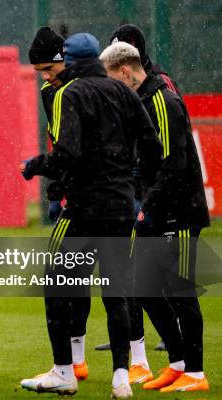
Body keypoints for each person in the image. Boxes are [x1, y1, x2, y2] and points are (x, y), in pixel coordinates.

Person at [19, 33, 162, 398]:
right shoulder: (124, 93)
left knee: (57, 285)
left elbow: (66, 153)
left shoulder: (72, 93)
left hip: (84, 207)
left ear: (69, 60)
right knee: (116, 293)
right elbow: (153, 145)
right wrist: (131, 181)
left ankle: (64, 371)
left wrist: (37, 166)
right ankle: (120, 379)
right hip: (119, 207)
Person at [101, 41, 210, 392]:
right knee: (142, 287)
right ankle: (177, 363)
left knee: (181, 290)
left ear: (125, 72)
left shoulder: (163, 100)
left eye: (113, 80)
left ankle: (196, 373)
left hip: (179, 210)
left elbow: (174, 163)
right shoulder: (141, 100)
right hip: (156, 209)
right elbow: (147, 160)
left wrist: (150, 207)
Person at [95, 23, 186, 355]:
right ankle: (133, 337)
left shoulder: (161, 90)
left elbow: (171, 154)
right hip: (135, 189)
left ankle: (174, 344)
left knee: (159, 273)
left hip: (160, 195)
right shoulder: (129, 91)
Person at [28, 26, 89, 381]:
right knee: (74, 278)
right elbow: (58, 143)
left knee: (119, 283)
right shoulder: (50, 92)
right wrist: (55, 192)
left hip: (101, 195)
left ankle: (134, 364)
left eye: (49, 70)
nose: (46, 78)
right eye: (40, 72)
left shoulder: (83, 90)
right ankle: (76, 361)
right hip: (76, 191)